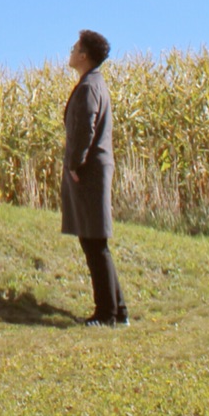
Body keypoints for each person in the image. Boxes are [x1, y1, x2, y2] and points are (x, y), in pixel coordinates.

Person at [61, 28, 126, 327]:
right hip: (94, 170)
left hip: (89, 173)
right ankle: (117, 311)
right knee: (96, 242)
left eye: (75, 47)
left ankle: (106, 314)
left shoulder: (89, 86)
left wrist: (75, 164)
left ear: (84, 55)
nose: (71, 51)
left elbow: (85, 128)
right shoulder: (94, 83)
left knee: (94, 243)